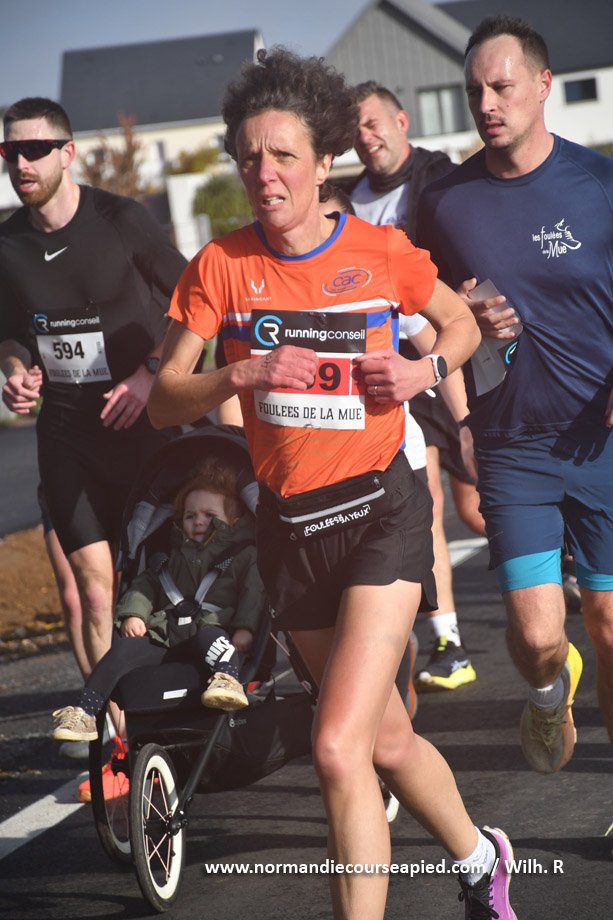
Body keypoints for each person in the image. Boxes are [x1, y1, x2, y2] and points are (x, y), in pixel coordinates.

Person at [147, 47, 517, 920]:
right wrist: (241, 373)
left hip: (380, 516)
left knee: (337, 748)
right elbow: (164, 400)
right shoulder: (219, 265)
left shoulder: (380, 252)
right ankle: (480, 860)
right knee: (384, 737)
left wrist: (424, 371)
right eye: (248, 157)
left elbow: (459, 325)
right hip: (291, 530)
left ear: (322, 163)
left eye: (282, 155)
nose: (263, 173)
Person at [417, 14, 613, 774]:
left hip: (601, 440)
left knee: (607, 623)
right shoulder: (445, 202)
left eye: (500, 87)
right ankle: (545, 693)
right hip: (510, 442)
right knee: (538, 637)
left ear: (543, 85)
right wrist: (461, 321)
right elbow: (421, 312)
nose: (486, 104)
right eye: (474, 91)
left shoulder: (598, 184)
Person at [0, 99, 188, 711]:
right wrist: (15, 372)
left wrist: (149, 374)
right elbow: (10, 334)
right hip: (66, 435)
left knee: (159, 582)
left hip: (143, 429)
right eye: (9, 152)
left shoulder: (120, 220)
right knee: (94, 590)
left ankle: (176, 707)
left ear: (67, 153)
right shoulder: (7, 244)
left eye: (34, 150)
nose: (20, 164)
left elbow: (194, 304)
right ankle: (116, 734)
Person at [346, 81, 484, 692]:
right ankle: (448, 640)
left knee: (476, 508)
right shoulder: (348, 203)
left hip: (453, 346)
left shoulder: (440, 179)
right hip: (395, 368)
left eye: (373, 123)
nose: (365, 137)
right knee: (422, 494)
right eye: (355, 129)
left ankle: (561, 548)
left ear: (401, 121)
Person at [52, 456, 266, 746]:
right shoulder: (168, 556)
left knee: (215, 640)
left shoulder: (243, 555)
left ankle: (227, 680)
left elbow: (254, 592)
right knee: (120, 652)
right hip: (165, 631)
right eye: (190, 516)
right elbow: (145, 585)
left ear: (234, 521)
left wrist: (246, 628)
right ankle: (86, 711)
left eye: (209, 515)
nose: (198, 521)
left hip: (213, 626)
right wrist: (134, 614)